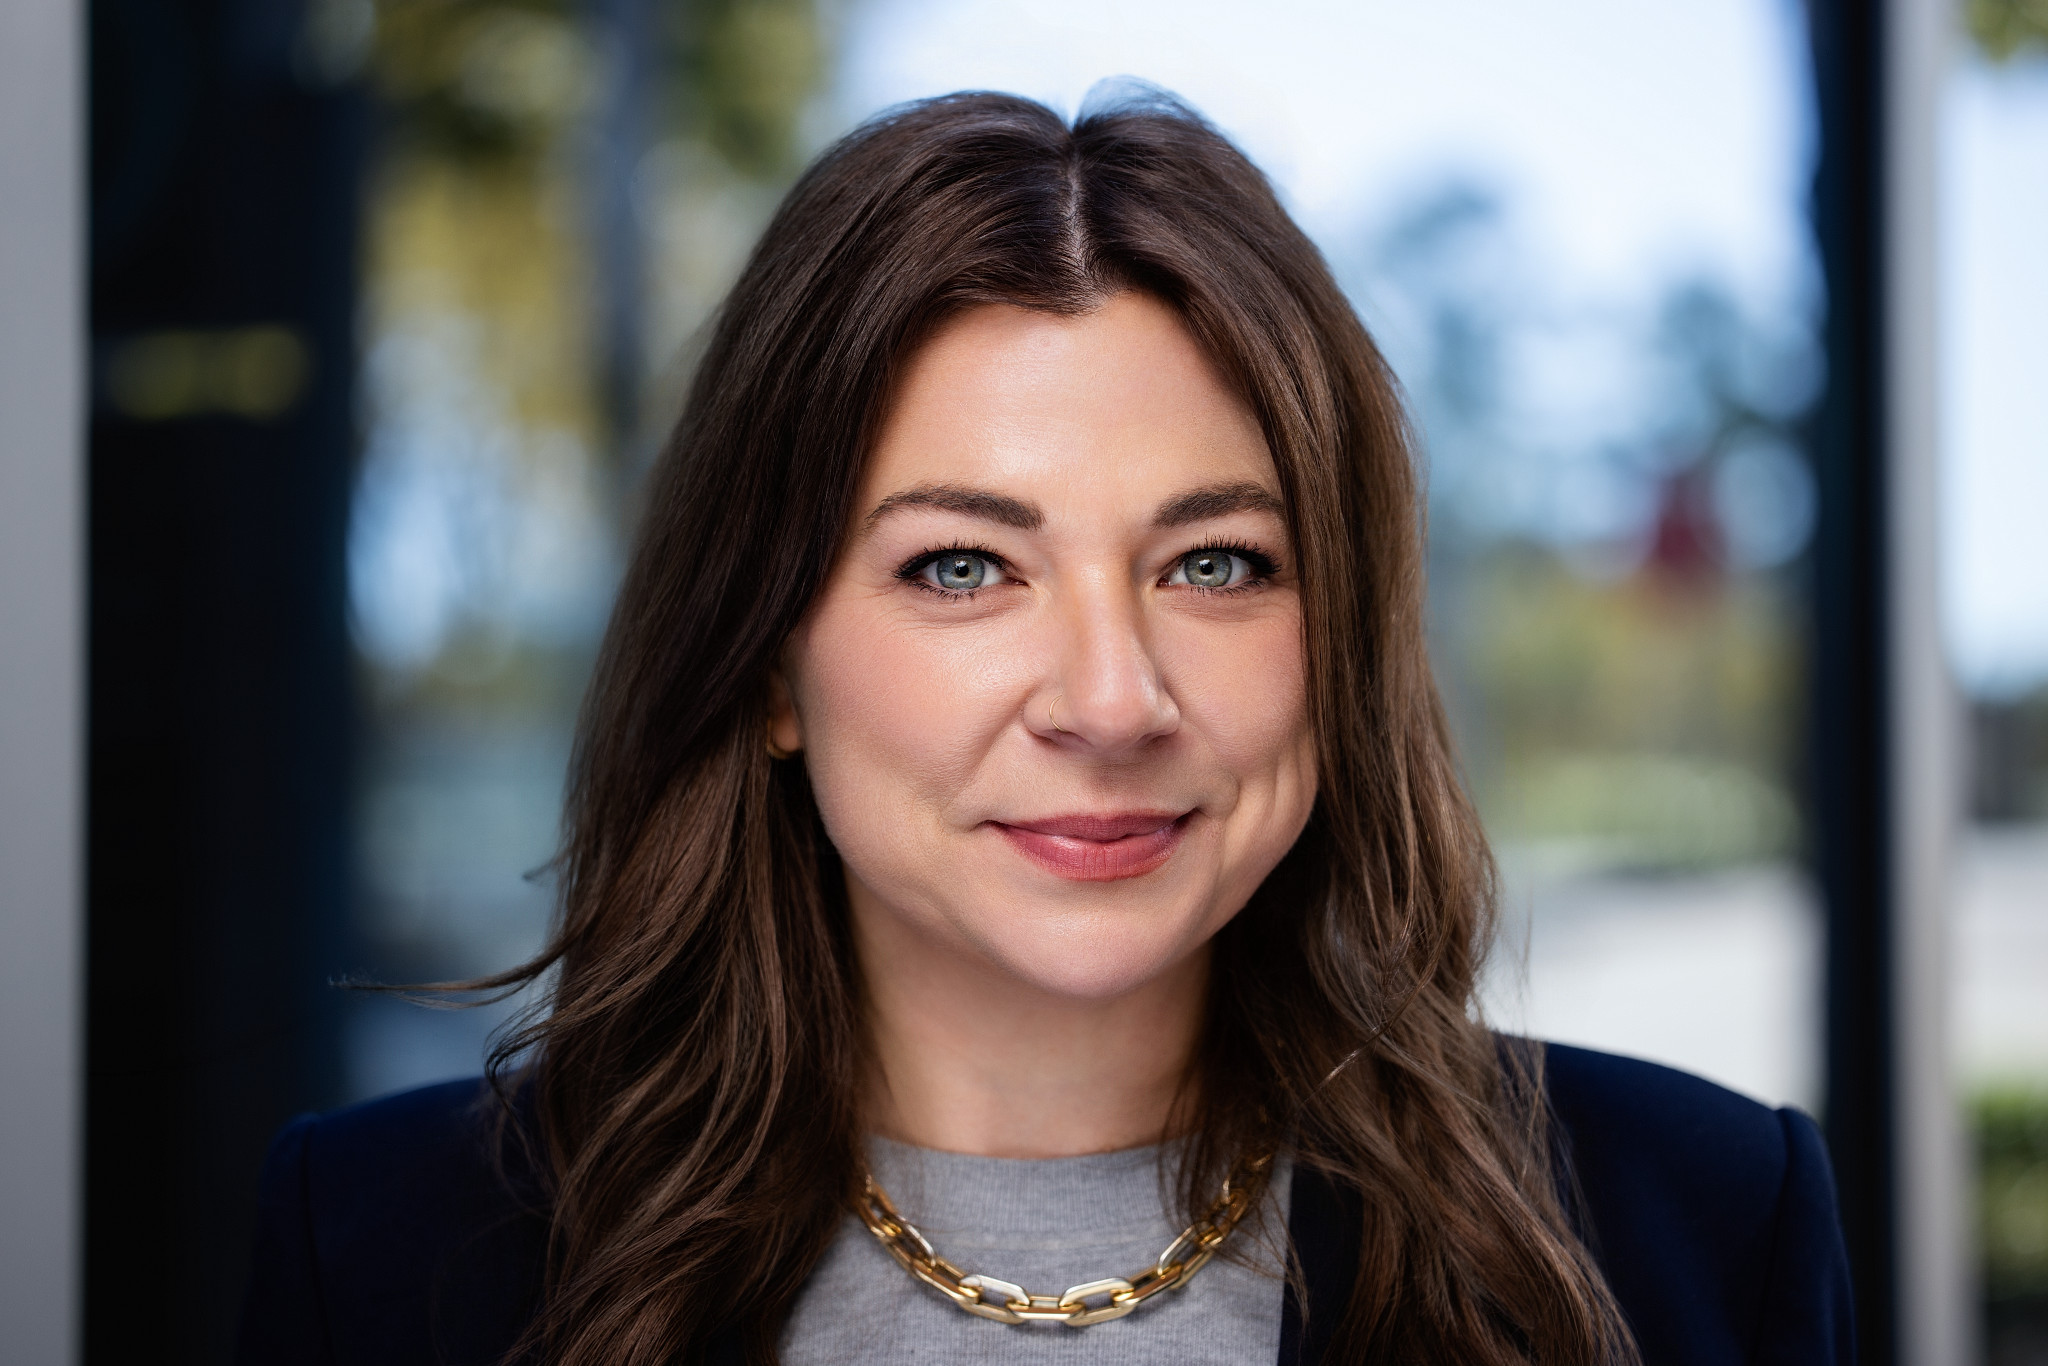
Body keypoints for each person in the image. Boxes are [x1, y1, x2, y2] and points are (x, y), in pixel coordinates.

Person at [235, 90, 1852, 1366]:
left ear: (1342, 636)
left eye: (1217, 563)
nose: (1111, 699)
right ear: (769, 665)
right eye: (963, 567)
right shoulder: (388, 1249)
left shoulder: (1695, 1234)